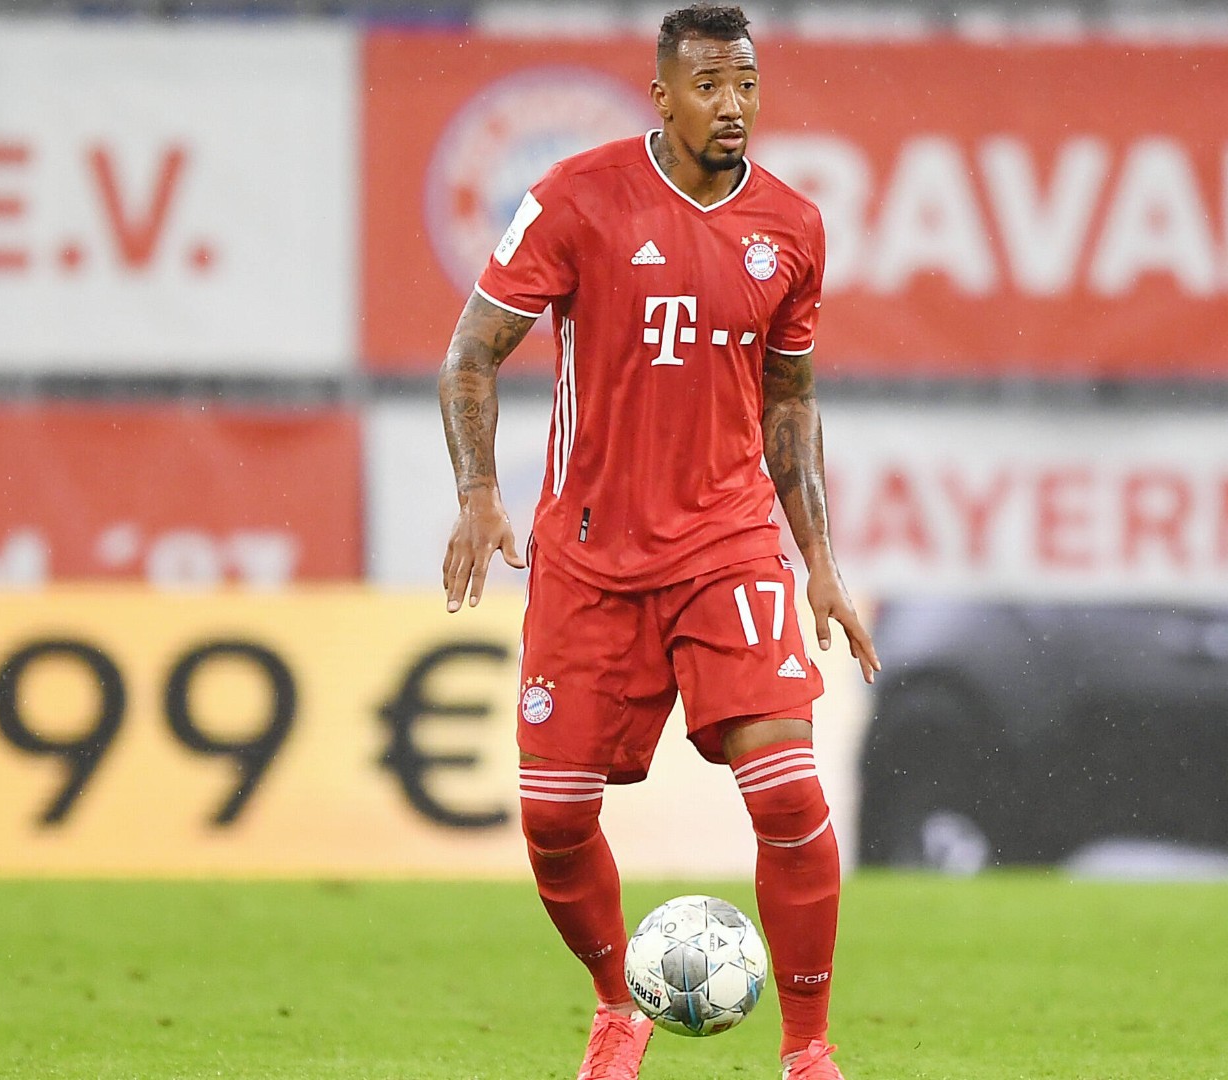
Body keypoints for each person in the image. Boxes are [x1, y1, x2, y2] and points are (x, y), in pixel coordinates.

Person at [436, 4, 880, 1078]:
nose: (734, 106)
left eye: (747, 85)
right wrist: (478, 493)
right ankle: (614, 1008)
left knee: (788, 793)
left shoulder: (793, 227)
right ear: (663, 96)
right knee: (553, 823)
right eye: (710, 86)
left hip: (729, 546)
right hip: (591, 557)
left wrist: (819, 558)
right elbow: (471, 354)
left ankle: (808, 1051)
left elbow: (789, 401)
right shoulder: (576, 197)